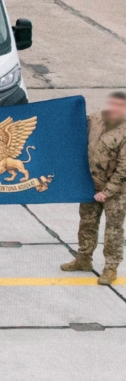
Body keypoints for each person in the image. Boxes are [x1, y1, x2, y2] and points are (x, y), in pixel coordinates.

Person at [62, 90, 126, 285]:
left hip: (116, 190)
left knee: (113, 230)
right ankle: (83, 259)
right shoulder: (96, 119)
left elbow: (124, 168)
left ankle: (110, 268)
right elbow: (75, 130)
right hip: (91, 184)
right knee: (87, 224)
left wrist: (107, 192)